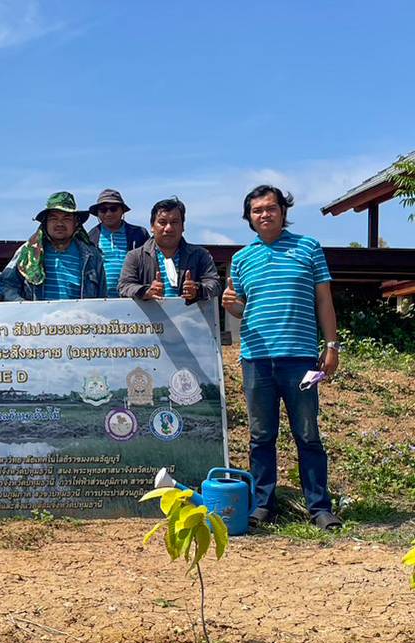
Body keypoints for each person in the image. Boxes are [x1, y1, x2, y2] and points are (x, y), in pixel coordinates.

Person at [223, 185, 342, 531]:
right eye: (257, 210)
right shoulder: (242, 259)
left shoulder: (309, 248)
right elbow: (242, 309)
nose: (264, 214)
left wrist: (331, 346)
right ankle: (263, 505)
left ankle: (319, 507)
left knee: (307, 434)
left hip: (301, 357)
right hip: (256, 359)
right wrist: (232, 307)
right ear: (249, 218)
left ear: (283, 212)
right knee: (261, 437)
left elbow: (324, 300)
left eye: (270, 208)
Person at [1, 192, 107, 300]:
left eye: (66, 218)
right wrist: (23, 307)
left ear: (76, 223)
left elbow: (103, 299)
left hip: (80, 316)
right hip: (37, 317)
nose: (59, 224)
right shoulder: (28, 252)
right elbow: (7, 285)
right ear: (45, 222)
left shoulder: (92, 256)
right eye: (54, 218)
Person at [118, 197, 220, 302]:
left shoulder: (200, 254)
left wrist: (197, 290)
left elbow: (215, 285)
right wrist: (146, 292)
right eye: (162, 222)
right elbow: (124, 287)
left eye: (174, 222)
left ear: (183, 226)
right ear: (152, 227)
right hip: (148, 318)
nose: (168, 228)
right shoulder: (135, 256)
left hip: (189, 317)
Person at [87, 189, 149, 296]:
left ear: (122, 211)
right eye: (103, 210)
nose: (108, 213)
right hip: (101, 300)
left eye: (113, 209)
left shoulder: (139, 234)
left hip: (135, 298)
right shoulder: (90, 238)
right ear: (98, 213)